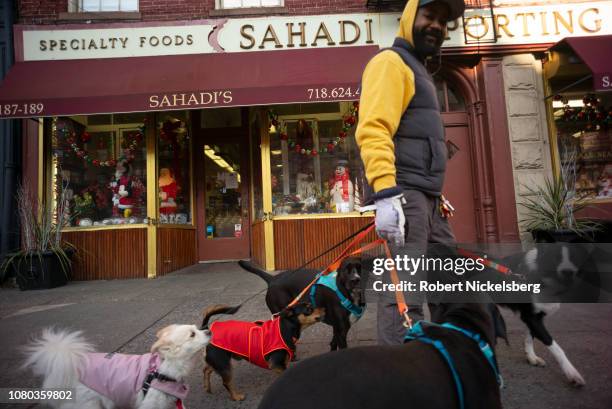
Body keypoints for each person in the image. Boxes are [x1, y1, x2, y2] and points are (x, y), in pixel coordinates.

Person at [355, 0, 465, 345]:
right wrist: (386, 193)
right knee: (404, 293)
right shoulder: (391, 63)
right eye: (429, 16)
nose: (437, 26)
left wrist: (434, 188)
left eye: (443, 21)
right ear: (408, 18)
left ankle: (446, 358)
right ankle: (402, 375)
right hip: (405, 198)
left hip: (428, 200)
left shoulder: (419, 71)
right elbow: (373, 129)